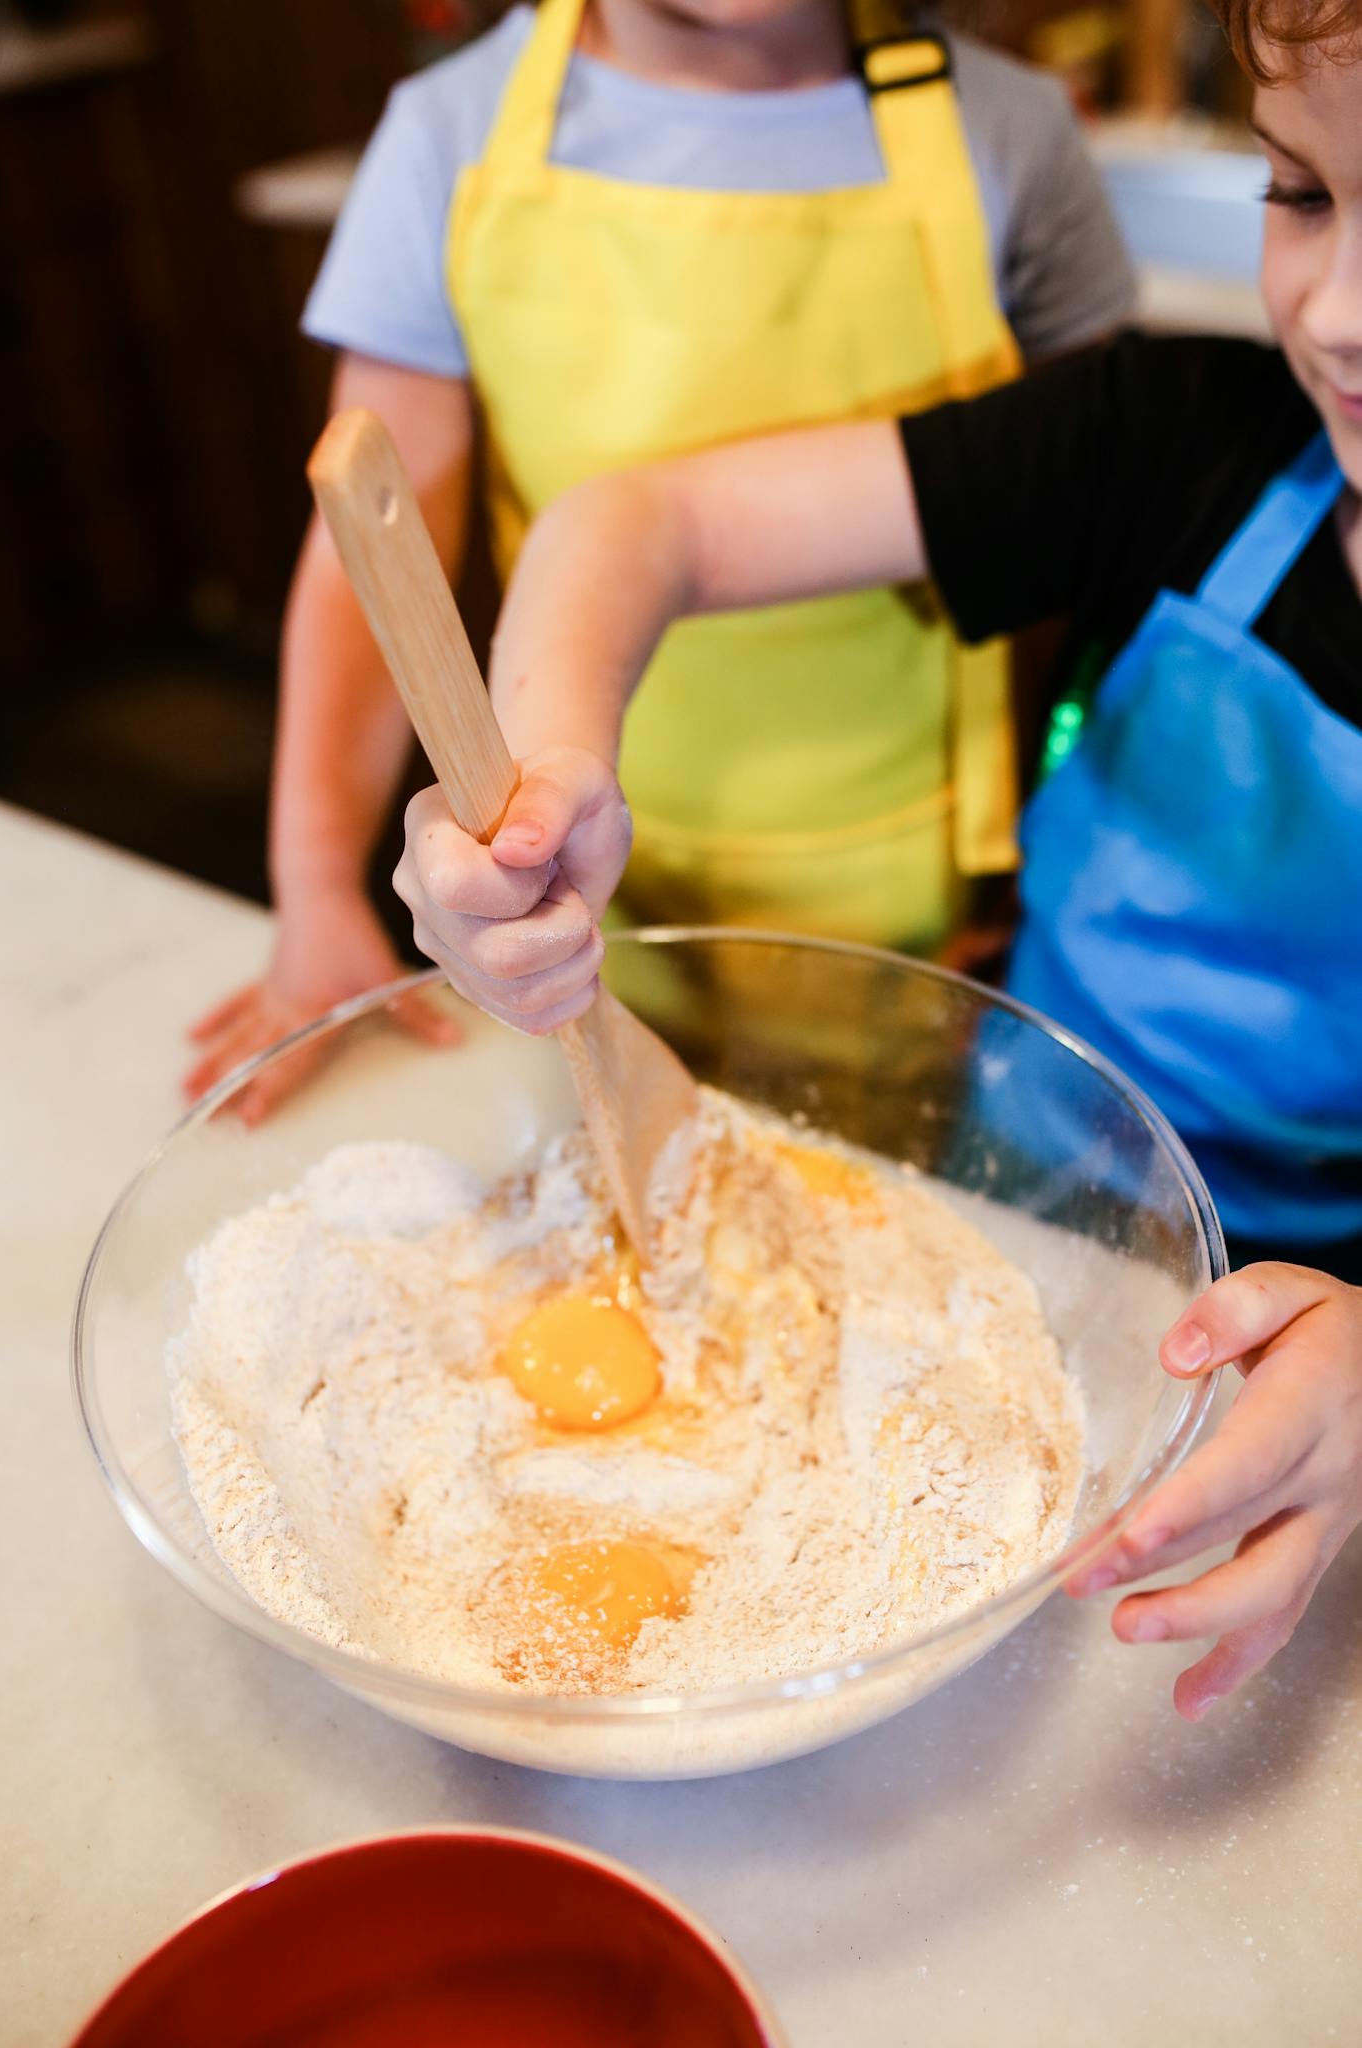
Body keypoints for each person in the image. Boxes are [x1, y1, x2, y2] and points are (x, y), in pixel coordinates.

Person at [394, 0, 1362, 1715]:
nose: (1338, 314)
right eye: (1303, 194)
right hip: (1002, 1207)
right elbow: (645, 517)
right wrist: (546, 773)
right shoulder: (1180, 445)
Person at [185, 0, 1133, 1123]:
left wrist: (1059, 869)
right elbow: (374, 559)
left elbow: (1099, 536)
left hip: (916, 910)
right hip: (565, 882)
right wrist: (311, 877)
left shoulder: (1010, 134)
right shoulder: (452, 133)